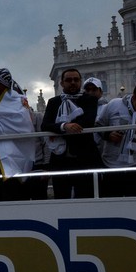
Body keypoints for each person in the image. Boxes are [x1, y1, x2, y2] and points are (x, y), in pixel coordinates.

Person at [41, 68, 102, 199]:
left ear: (80, 82)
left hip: (84, 158)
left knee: (86, 197)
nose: (72, 82)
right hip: (60, 160)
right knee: (61, 198)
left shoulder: (90, 100)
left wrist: (60, 127)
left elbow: (87, 122)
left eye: (76, 80)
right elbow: (45, 125)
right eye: (68, 80)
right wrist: (64, 126)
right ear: (62, 83)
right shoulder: (54, 102)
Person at [0, 68, 36, 201]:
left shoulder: (18, 102)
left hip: (13, 154)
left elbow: (24, 126)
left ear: (4, 83)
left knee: (12, 194)